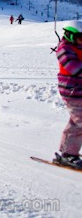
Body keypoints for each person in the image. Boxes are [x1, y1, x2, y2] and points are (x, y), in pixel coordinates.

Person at [53, 22, 82, 169]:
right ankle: (68, 154)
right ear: (71, 36)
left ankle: (67, 151)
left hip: (79, 91)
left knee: (75, 122)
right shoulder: (64, 49)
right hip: (72, 91)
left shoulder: (78, 47)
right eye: (80, 38)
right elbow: (76, 68)